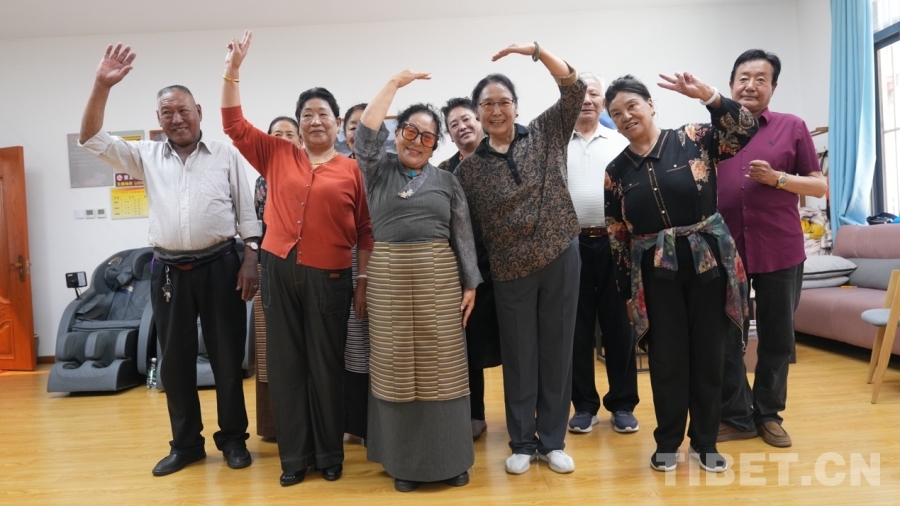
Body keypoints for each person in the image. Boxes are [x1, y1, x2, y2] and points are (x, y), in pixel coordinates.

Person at [78, 43, 261, 476]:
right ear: (158, 120)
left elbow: (247, 211)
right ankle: (186, 445)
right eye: (167, 113)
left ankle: (233, 439)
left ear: (199, 111)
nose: (176, 119)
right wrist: (102, 85)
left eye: (183, 111)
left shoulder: (225, 153)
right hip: (168, 272)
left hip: (221, 265)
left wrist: (250, 258)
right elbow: (90, 138)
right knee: (175, 362)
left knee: (227, 358)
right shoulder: (145, 155)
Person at [220, 31, 374, 487]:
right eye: (306, 114)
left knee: (326, 366)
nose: (314, 120)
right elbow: (233, 124)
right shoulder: (277, 153)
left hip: (332, 276)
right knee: (286, 366)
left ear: (337, 122)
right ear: (299, 123)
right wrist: (233, 71)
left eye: (322, 113)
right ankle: (294, 456)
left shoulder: (351, 170)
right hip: (279, 270)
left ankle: (328, 453)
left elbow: (365, 231)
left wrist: (362, 283)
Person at [603, 73, 757, 473]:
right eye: (616, 113)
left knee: (710, 354)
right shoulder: (616, 171)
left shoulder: (694, 138)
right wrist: (626, 293)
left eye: (632, 106)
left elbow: (745, 128)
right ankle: (668, 442)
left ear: (651, 105)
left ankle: (705, 442)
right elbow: (617, 235)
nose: (626, 116)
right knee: (666, 359)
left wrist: (710, 96)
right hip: (656, 272)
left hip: (708, 262)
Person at [454, 42, 583, 476]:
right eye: (487, 104)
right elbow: (463, 233)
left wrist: (537, 51)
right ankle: (523, 443)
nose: (496, 110)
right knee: (519, 356)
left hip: (559, 253)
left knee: (557, 351)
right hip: (509, 270)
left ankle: (553, 441)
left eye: (503, 102)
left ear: (515, 106)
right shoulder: (467, 171)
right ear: (478, 112)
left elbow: (573, 88)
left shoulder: (546, 131)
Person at [356, 70, 481, 493]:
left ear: (435, 145)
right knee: (395, 368)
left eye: (427, 137)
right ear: (397, 133)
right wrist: (393, 84)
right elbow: (365, 136)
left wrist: (470, 284)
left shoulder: (447, 181)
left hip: (439, 281)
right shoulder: (377, 170)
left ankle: (451, 460)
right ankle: (403, 463)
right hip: (388, 280)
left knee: (443, 368)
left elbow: (462, 234)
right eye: (410, 131)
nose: (416, 141)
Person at [717, 49, 827, 448]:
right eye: (744, 78)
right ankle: (736, 416)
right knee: (727, 337)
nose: (751, 85)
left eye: (761, 79)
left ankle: (768, 414)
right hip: (724, 250)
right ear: (731, 85)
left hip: (779, 248)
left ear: (773, 87)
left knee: (778, 337)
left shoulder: (792, 126)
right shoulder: (712, 131)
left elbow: (819, 185)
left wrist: (779, 178)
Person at [565, 73, 640, 435]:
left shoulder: (620, 140)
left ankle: (623, 404)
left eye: (593, 93)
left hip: (615, 243)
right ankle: (584, 405)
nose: (586, 100)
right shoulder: (555, 142)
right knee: (575, 328)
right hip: (570, 245)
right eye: (579, 93)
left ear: (603, 101)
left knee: (619, 326)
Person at [439, 97, 501, 441]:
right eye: (454, 124)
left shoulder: (501, 158)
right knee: (470, 347)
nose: (462, 127)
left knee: (515, 346)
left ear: (480, 122)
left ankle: (523, 418)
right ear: (449, 135)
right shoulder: (444, 172)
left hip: (506, 269)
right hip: (466, 274)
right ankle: (475, 414)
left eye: (467, 119)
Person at [341, 101, 371, 443]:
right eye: (354, 126)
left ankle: (384, 421)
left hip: (387, 263)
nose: (360, 132)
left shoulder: (393, 167)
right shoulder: (338, 168)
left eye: (368, 125)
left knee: (385, 343)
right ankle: (358, 422)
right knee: (354, 342)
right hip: (348, 263)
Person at [255, 116, 303, 237]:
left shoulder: (312, 175)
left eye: (290, 135)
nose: (283, 139)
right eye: (278, 135)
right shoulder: (261, 180)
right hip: (271, 245)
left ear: (300, 142)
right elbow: (258, 220)